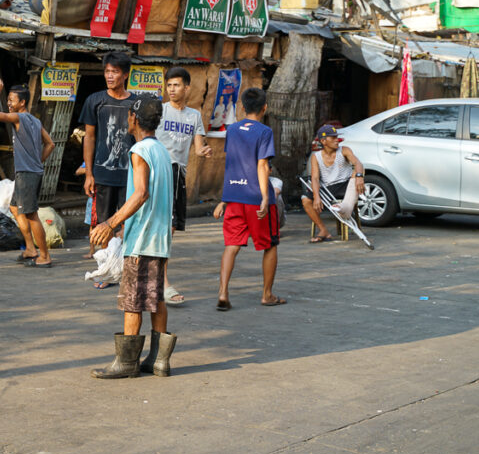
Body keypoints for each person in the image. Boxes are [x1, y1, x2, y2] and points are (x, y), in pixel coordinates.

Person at [89, 96, 175, 379]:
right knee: (156, 297)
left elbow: (140, 193)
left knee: (132, 300)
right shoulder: (162, 151)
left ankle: (127, 362)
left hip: (143, 239)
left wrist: (111, 223)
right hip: (159, 239)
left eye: (129, 115)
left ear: (134, 119)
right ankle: (159, 361)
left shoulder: (140, 150)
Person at [212, 87, 285, 310]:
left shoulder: (232, 130)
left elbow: (233, 163)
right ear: (265, 108)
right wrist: (265, 196)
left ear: (242, 107)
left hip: (234, 196)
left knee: (232, 245)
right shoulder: (264, 132)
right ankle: (267, 294)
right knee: (270, 245)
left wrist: (224, 199)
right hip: (255, 196)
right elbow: (262, 164)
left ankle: (223, 293)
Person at [155, 66, 213, 306]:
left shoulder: (194, 116)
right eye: (169, 85)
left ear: (187, 88)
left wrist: (204, 151)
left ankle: (158, 278)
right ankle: (163, 282)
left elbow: (197, 148)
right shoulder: (159, 110)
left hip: (178, 174)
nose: (172, 89)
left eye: (176, 85)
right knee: (162, 229)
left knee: (170, 230)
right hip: (159, 171)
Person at [0, 76, 56, 267]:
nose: (8, 103)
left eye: (11, 100)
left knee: (31, 214)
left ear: (22, 102)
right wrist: (38, 161)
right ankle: (30, 249)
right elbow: (50, 144)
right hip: (30, 171)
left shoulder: (19, 117)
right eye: (7, 100)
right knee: (15, 208)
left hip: (27, 174)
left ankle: (45, 256)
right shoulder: (35, 120)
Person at [79, 51, 144, 257]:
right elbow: (89, 137)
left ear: (125, 75)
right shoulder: (94, 101)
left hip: (130, 175)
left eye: (114, 72)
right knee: (103, 224)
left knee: (131, 222)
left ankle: (126, 267)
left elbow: (143, 141)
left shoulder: (137, 103)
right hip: (103, 174)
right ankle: (106, 268)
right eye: (107, 71)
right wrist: (89, 174)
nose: (109, 76)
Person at [302, 124, 365, 243]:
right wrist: (316, 196)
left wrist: (359, 176)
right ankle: (323, 230)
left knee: (355, 174)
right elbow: (315, 178)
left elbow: (358, 163)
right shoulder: (316, 157)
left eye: (337, 137)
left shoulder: (344, 150)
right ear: (323, 141)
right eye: (333, 138)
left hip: (345, 184)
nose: (337, 140)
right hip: (328, 187)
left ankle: (345, 209)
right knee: (305, 200)